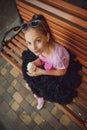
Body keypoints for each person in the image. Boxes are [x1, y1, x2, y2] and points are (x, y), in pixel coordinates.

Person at [22, 14, 82, 110]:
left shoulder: (57, 57)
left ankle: (40, 95)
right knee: (29, 81)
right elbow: (42, 59)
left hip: (59, 72)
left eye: (38, 41)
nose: (33, 48)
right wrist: (35, 63)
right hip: (49, 66)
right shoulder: (42, 49)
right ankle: (38, 93)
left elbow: (62, 72)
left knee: (39, 87)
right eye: (29, 43)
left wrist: (42, 72)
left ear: (47, 37)